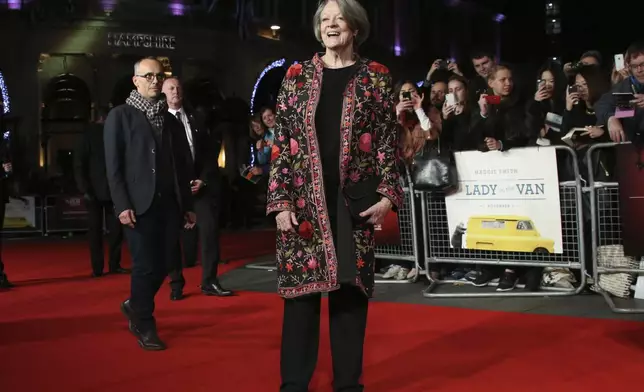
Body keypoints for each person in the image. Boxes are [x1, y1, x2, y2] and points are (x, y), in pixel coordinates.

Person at [266, 1, 403, 390]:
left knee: (349, 300)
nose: (330, 26)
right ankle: (294, 385)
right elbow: (283, 144)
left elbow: (386, 143)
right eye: (324, 20)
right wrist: (280, 202)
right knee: (300, 302)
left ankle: (347, 385)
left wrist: (387, 195)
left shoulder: (376, 77)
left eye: (338, 19)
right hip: (303, 205)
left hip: (352, 203)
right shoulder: (296, 76)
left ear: (355, 27)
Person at [104, 57, 196, 351]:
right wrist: (121, 205)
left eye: (159, 76)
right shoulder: (120, 116)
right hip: (137, 205)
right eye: (149, 76)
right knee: (144, 265)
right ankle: (144, 321)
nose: (155, 81)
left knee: (165, 264)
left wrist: (187, 203)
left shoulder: (170, 119)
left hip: (169, 203)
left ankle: (135, 304)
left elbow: (181, 164)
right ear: (136, 81)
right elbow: (113, 166)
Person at [161, 77, 232, 300]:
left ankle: (210, 280)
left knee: (210, 231)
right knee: (172, 237)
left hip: (200, 186)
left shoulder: (197, 118)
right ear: (163, 93)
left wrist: (203, 179)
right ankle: (175, 283)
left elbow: (210, 153)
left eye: (178, 88)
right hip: (173, 188)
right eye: (171, 88)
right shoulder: (158, 120)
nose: (176, 91)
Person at [74, 107, 126, 277]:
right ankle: (114, 264)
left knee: (95, 231)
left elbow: (79, 164)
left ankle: (97, 268)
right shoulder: (116, 134)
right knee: (116, 230)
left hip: (93, 191)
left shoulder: (86, 135)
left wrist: (84, 188)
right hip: (113, 189)